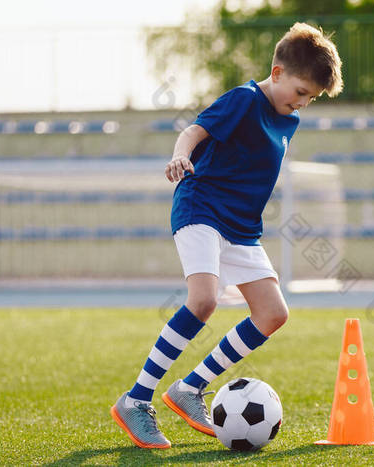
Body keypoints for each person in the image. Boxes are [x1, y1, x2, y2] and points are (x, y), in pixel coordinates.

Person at [110, 22, 343, 449]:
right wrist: (180, 157)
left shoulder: (288, 120)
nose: (304, 102)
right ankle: (136, 400)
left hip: (240, 228)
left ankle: (189, 388)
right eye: (301, 91)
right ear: (276, 73)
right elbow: (194, 132)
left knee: (273, 313)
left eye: (311, 97)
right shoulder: (244, 99)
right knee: (204, 301)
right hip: (201, 206)